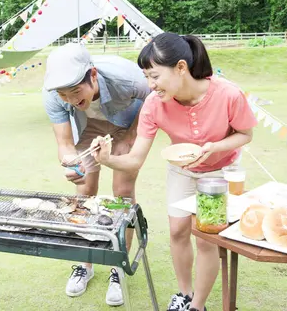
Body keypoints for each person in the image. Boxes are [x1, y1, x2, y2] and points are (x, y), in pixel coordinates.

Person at [91, 32, 257, 311]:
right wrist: (107, 160)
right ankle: (185, 294)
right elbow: (135, 160)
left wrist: (214, 147)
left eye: (154, 76)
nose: (150, 85)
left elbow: (245, 134)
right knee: (178, 231)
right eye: (146, 77)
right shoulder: (154, 105)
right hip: (182, 171)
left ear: (181, 67)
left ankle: (198, 306)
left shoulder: (227, 93)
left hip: (221, 171)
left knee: (205, 238)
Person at [42, 41, 151, 306]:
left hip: (126, 123)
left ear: (92, 75)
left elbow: (153, 96)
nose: (70, 100)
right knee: (84, 191)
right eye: (63, 95)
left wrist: (132, 135)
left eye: (75, 91)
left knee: (122, 193)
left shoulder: (127, 77)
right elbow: (65, 145)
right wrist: (71, 164)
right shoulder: (52, 95)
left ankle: (117, 265)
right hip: (88, 127)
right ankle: (84, 264)